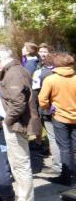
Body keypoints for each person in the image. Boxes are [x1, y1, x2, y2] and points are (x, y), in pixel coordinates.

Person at [0, 44, 41, 201]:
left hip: (16, 124)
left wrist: (7, 120)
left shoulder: (14, 73)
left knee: (20, 163)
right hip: (14, 123)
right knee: (17, 162)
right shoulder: (14, 71)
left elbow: (18, 103)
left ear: (0, 58)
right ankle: (23, 198)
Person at [38, 53, 76, 185]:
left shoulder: (51, 79)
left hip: (60, 117)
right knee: (74, 146)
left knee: (64, 147)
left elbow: (42, 99)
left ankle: (67, 177)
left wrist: (48, 108)